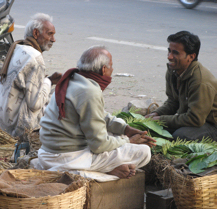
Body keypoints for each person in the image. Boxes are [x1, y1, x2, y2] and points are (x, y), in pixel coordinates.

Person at [37, 46, 155, 180]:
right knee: (144, 152)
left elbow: (99, 115)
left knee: (114, 135)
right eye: (111, 66)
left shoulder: (73, 79)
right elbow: (98, 145)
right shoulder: (90, 91)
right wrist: (128, 140)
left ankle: (100, 169)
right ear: (104, 69)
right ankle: (98, 173)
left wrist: (125, 129)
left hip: (49, 152)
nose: (112, 70)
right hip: (67, 157)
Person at [0, 13, 62, 140]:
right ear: (36, 33)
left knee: (52, 93)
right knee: (65, 101)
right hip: (18, 127)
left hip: (4, 120)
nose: (53, 39)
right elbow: (35, 104)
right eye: (50, 34)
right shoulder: (35, 58)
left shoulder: (18, 48)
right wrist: (49, 81)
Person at [146, 31, 217, 141]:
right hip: (189, 119)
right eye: (169, 51)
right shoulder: (173, 70)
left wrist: (160, 119)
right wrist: (156, 114)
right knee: (147, 128)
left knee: (180, 136)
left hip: (210, 125)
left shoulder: (200, 81)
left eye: (175, 53)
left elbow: (195, 119)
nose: (169, 57)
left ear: (191, 57)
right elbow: (173, 101)